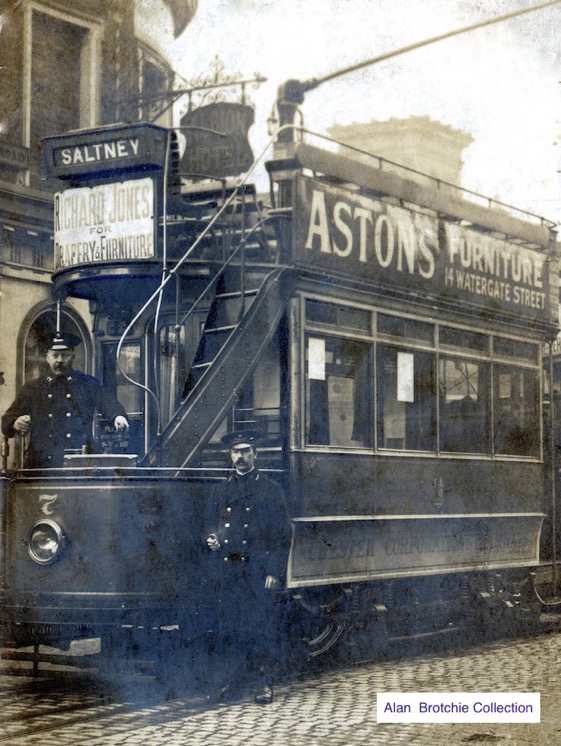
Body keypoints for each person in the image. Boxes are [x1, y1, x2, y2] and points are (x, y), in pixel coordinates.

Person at [204, 429, 291, 705]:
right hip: (228, 570)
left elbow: (282, 534)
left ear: (255, 454)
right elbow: (207, 524)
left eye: (244, 451)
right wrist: (211, 538)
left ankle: (264, 683)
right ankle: (231, 682)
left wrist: (274, 572)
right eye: (235, 452)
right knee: (228, 627)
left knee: (261, 628)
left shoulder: (270, 489)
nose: (239, 457)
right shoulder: (220, 489)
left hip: (257, 570)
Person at [1, 332, 129, 468]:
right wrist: (15, 423)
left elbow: (108, 402)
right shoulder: (33, 387)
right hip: (42, 465)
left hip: (80, 462)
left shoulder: (87, 384)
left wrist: (118, 417)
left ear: (73, 356)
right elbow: (7, 419)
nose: (60, 360)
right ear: (47, 358)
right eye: (55, 355)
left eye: (65, 355)